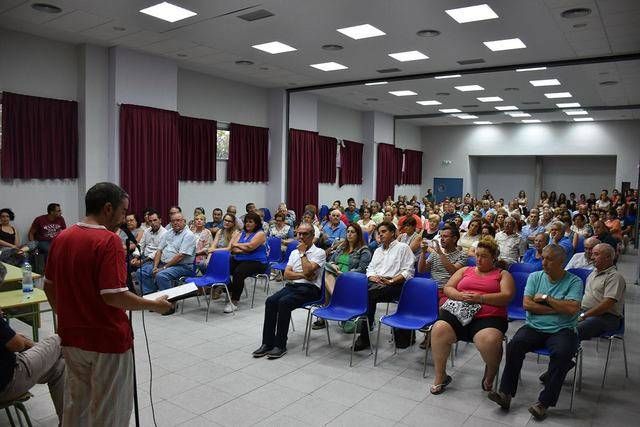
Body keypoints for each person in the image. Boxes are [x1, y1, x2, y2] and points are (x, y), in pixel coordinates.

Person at [43, 182, 172, 425]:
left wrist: (66, 315)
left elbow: (48, 286)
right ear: (108, 208)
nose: (124, 219)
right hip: (106, 340)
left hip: (71, 337)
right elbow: (114, 295)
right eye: (123, 212)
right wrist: (154, 304)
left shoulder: (62, 236)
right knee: (109, 412)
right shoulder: (108, 240)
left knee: (76, 405)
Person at [488, 244, 583, 421]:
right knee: (515, 345)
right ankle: (505, 394)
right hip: (534, 327)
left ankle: (543, 404)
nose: (544, 262)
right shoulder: (535, 277)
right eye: (543, 258)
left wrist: (546, 299)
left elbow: (572, 309)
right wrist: (558, 308)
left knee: (562, 354)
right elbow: (527, 305)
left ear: (562, 262)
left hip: (563, 330)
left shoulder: (574, 282)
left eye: (549, 259)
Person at [429, 237, 515, 394]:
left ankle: (490, 374)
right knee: (438, 328)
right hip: (459, 313)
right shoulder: (465, 271)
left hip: (489, 318)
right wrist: (460, 296)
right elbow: (448, 288)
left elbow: (507, 296)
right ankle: (440, 375)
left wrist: (481, 298)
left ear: (494, 258)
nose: (479, 259)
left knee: (489, 341)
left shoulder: (502, 275)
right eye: (477, 255)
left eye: (484, 256)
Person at [0, 265, 65, 423]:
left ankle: (68, 421)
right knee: (58, 340)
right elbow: (17, 345)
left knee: (58, 366)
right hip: (8, 382)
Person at [252, 223, 325, 359]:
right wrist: (304, 275)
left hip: (311, 289)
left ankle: (280, 345)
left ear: (312, 236)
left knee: (284, 303)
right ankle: (267, 343)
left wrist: (303, 254)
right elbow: (287, 274)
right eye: (299, 233)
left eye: (305, 234)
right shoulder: (293, 252)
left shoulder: (319, 252)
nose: (301, 237)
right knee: (271, 301)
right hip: (293, 286)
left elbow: (309, 270)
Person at [353, 222, 415, 351]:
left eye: (384, 231)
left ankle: (364, 337)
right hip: (376, 282)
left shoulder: (403, 248)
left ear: (392, 233)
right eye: (379, 232)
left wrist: (392, 281)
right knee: (360, 290)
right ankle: (362, 329)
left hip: (396, 285)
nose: (380, 234)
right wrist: (371, 277)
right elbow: (370, 268)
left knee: (367, 295)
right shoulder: (377, 250)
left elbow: (408, 271)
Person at [313, 223, 372, 330]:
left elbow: (362, 270)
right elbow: (330, 261)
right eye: (348, 232)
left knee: (326, 277)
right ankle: (338, 298)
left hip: (351, 279)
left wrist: (345, 274)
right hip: (335, 276)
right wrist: (333, 265)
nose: (349, 234)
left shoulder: (364, 250)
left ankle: (326, 315)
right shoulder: (342, 247)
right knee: (326, 270)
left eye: (352, 232)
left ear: (358, 235)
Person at [139, 212, 197, 305]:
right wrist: (155, 266)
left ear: (184, 221)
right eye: (173, 221)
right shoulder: (169, 232)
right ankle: (153, 298)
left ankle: (170, 304)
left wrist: (164, 268)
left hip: (183, 266)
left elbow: (180, 256)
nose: (175, 223)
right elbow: (159, 250)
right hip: (164, 264)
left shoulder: (188, 235)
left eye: (178, 220)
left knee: (161, 275)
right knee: (142, 271)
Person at [577, 243, 625, 340]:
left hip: (607, 317)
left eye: (596, 254)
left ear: (608, 257)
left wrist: (584, 316)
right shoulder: (593, 273)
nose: (592, 257)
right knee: (558, 320)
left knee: (575, 328)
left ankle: (567, 352)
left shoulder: (615, 277)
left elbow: (607, 304)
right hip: (586, 312)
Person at [227, 212, 268, 313]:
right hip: (241, 258)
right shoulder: (241, 233)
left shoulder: (260, 233)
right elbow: (232, 248)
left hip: (257, 262)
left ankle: (234, 301)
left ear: (256, 223)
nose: (247, 224)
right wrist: (244, 248)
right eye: (246, 222)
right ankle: (229, 289)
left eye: (250, 222)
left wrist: (239, 246)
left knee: (238, 272)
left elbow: (250, 247)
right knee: (223, 267)